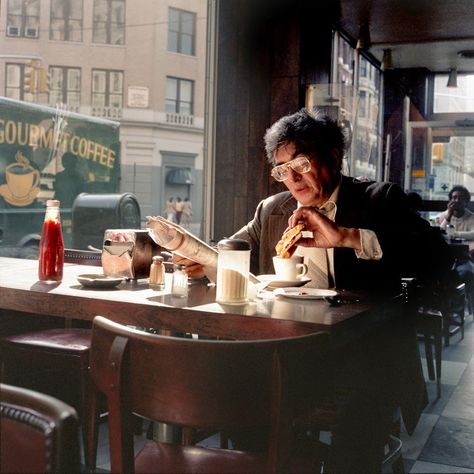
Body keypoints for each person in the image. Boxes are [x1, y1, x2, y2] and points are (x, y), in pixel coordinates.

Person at [174, 109, 452, 472]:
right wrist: (201, 258)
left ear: (334, 156)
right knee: (231, 393)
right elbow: (231, 248)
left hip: (365, 356)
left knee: (357, 427)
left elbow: (438, 257)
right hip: (290, 353)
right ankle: (294, 458)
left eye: (301, 163)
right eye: (281, 170)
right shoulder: (273, 211)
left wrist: (346, 237)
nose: (291, 179)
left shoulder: (379, 200)